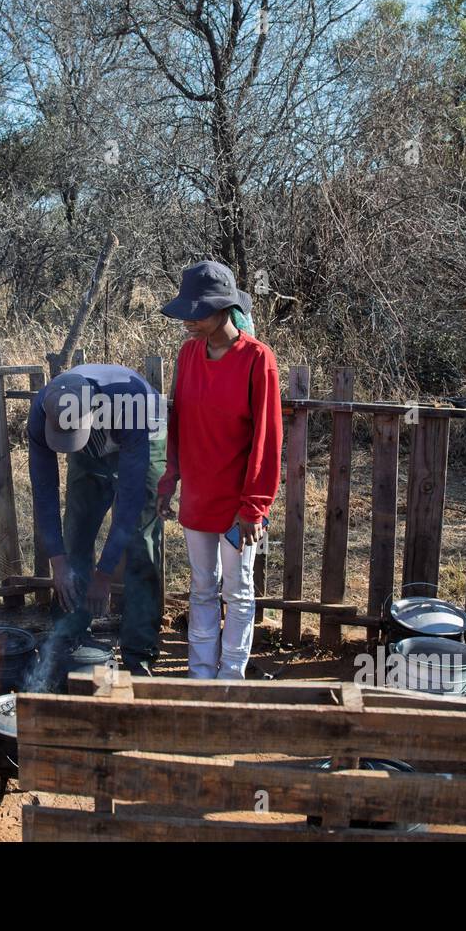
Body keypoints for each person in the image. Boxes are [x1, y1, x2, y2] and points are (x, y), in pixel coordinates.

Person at [156, 261, 282, 680]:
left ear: (224, 309)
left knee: (239, 591)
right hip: (197, 493)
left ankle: (230, 677)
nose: (188, 321)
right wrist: (169, 479)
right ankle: (200, 674)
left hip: (237, 505)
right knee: (202, 588)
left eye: (198, 312)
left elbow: (267, 439)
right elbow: (178, 423)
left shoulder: (257, 359)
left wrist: (254, 507)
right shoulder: (188, 353)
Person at [27, 364, 166, 681]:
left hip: (143, 432)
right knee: (77, 529)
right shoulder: (43, 409)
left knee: (141, 541)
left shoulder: (130, 405)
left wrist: (104, 573)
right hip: (92, 438)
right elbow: (44, 490)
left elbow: (130, 501)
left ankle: (138, 653)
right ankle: (70, 636)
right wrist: (58, 561)